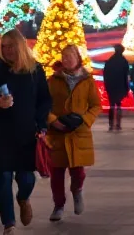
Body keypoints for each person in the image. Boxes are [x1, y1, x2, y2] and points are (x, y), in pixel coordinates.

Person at [0, 29, 51, 235]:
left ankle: (23, 197)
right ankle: (8, 224)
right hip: (1, 134)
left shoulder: (34, 70)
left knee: (27, 178)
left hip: (27, 133)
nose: (7, 50)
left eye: (11, 46)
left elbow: (45, 100)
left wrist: (41, 124)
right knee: (3, 178)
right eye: (4, 46)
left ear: (20, 46)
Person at [46, 44, 101, 222]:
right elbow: (43, 104)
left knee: (78, 171)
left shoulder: (87, 80)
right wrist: (53, 120)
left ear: (78, 58)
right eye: (65, 56)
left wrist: (85, 120)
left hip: (79, 132)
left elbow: (95, 105)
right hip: (57, 133)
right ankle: (58, 205)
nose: (67, 59)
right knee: (57, 173)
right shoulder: (53, 80)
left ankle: (77, 191)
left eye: (71, 56)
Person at [102, 44, 130, 131]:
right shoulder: (124, 61)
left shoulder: (110, 61)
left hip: (111, 86)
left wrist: (106, 84)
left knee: (111, 105)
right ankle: (118, 124)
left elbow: (105, 74)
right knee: (118, 104)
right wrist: (127, 87)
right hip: (120, 86)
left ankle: (111, 125)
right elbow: (126, 75)